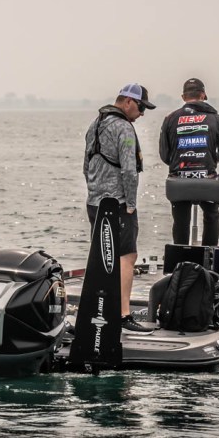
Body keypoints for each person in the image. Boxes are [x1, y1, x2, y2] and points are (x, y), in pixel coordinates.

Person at [83, 83, 157, 333]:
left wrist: (94, 191)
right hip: (118, 204)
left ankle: (99, 310)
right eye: (141, 107)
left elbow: (86, 165)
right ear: (128, 102)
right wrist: (131, 204)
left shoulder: (96, 123)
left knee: (102, 257)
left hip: (95, 202)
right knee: (127, 256)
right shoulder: (124, 128)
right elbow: (129, 170)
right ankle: (123, 314)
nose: (142, 113)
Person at [159, 77, 219, 246]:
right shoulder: (216, 118)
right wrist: (210, 158)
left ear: (183, 97)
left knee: (180, 220)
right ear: (203, 95)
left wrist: (182, 162)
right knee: (211, 215)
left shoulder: (170, 119)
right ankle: (209, 255)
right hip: (207, 179)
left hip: (179, 181)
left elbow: (164, 155)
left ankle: (180, 256)